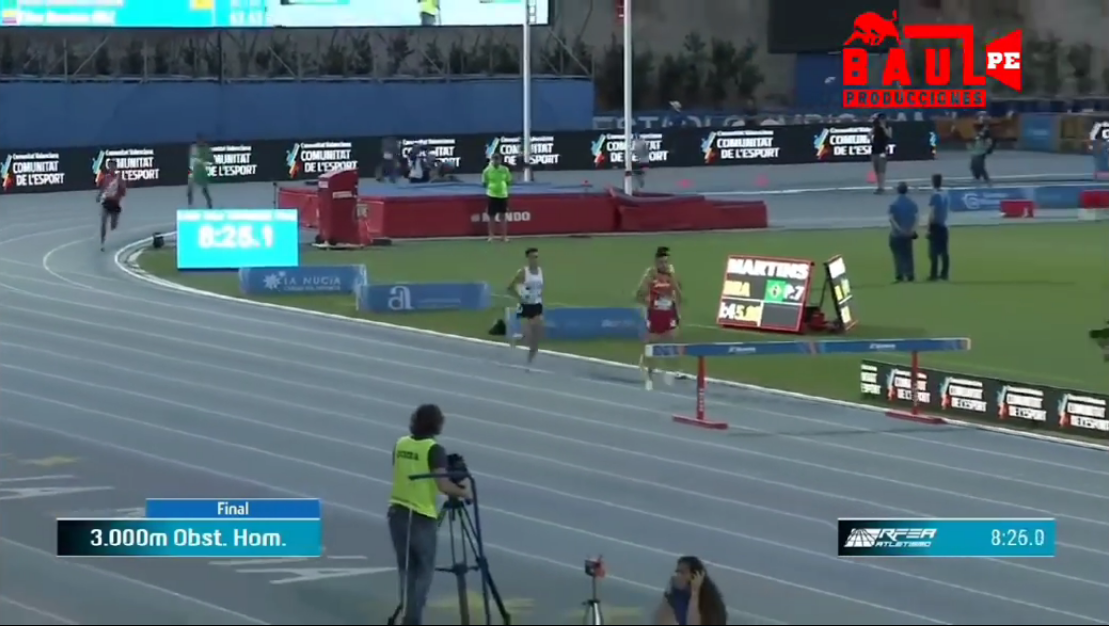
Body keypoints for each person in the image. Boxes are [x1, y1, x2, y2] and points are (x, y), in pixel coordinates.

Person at [388, 404, 470, 626]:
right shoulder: (434, 450)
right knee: (424, 571)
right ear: (437, 424)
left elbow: (404, 469)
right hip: (421, 516)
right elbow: (443, 486)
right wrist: (464, 492)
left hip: (397, 513)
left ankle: (407, 614)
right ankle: (412, 620)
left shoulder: (400, 443)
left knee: (407, 569)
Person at [637, 247, 681, 390]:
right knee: (652, 344)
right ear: (656, 262)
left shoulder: (671, 274)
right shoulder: (650, 274)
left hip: (668, 313)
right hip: (654, 314)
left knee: (672, 341)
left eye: (666, 262)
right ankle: (648, 372)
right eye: (662, 262)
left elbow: (678, 293)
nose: (664, 265)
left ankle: (670, 371)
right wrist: (648, 301)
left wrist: (677, 311)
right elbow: (638, 294)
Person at [653, 556, 728, 625]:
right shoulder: (678, 594)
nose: (677, 575)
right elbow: (660, 620)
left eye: (682, 573)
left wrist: (694, 593)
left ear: (695, 576)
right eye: (677, 572)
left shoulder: (710, 603)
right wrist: (668, 590)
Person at [507, 247, 544, 369]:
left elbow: (540, 289)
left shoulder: (540, 271)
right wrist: (520, 297)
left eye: (536, 257)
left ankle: (529, 363)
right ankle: (519, 339)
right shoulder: (524, 272)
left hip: (537, 304)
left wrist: (540, 299)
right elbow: (510, 287)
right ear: (528, 258)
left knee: (536, 340)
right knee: (530, 333)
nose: (535, 259)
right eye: (533, 257)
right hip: (526, 305)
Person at [888, 181, 918, 282]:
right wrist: (912, 229)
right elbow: (916, 218)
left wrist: (899, 229)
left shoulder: (894, 204)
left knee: (898, 255)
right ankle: (910, 274)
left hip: (897, 234)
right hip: (908, 233)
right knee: (908, 254)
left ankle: (900, 274)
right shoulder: (912, 204)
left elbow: (892, 219)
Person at [483, 153, 512, 242]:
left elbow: (508, 181)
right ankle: (491, 236)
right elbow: (484, 182)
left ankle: (504, 236)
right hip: (492, 195)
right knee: (491, 216)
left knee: (503, 216)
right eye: (494, 159)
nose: (496, 161)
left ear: (500, 160)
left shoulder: (505, 170)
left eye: (498, 159)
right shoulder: (487, 170)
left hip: (503, 195)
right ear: (492, 160)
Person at [97, 159, 125, 252]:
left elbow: (123, 192)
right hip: (106, 202)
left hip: (115, 203)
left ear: (116, 167)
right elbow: (102, 188)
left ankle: (112, 236)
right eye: (110, 167)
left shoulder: (119, 178)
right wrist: (99, 196)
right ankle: (102, 242)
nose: (111, 168)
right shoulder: (106, 178)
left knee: (113, 225)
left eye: (113, 167)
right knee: (103, 222)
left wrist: (120, 188)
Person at [927, 173, 950, 281]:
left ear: (933, 182)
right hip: (944, 224)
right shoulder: (945, 193)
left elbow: (932, 212)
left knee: (933, 252)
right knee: (944, 252)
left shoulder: (935, 195)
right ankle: (944, 273)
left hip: (935, 226)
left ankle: (934, 274)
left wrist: (929, 227)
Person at [187, 134, 214, 209]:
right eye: (198, 140)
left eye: (201, 140)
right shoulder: (194, 148)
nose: (200, 142)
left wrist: (202, 161)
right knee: (190, 189)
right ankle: (190, 204)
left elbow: (210, 160)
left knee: (204, 190)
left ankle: (209, 202)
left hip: (202, 171)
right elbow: (192, 159)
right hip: (193, 170)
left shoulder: (206, 149)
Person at [969, 113, 995, 186]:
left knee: (979, 165)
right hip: (976, 149)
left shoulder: (986, 131)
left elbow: (988, 141)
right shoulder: (980, 129)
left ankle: (986, 179)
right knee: (973, 166)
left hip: (981, 150)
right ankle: (977, 177)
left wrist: (988, 148)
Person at [870, 113, 892, 194]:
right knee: (876, 170)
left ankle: (882, 187)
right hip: (874, 151)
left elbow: (889, 135)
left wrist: (883, 127)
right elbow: (869, 135)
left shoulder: (888, 127)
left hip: (882, 151)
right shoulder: (875, 127)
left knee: (881, 170)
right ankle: (879, 186)